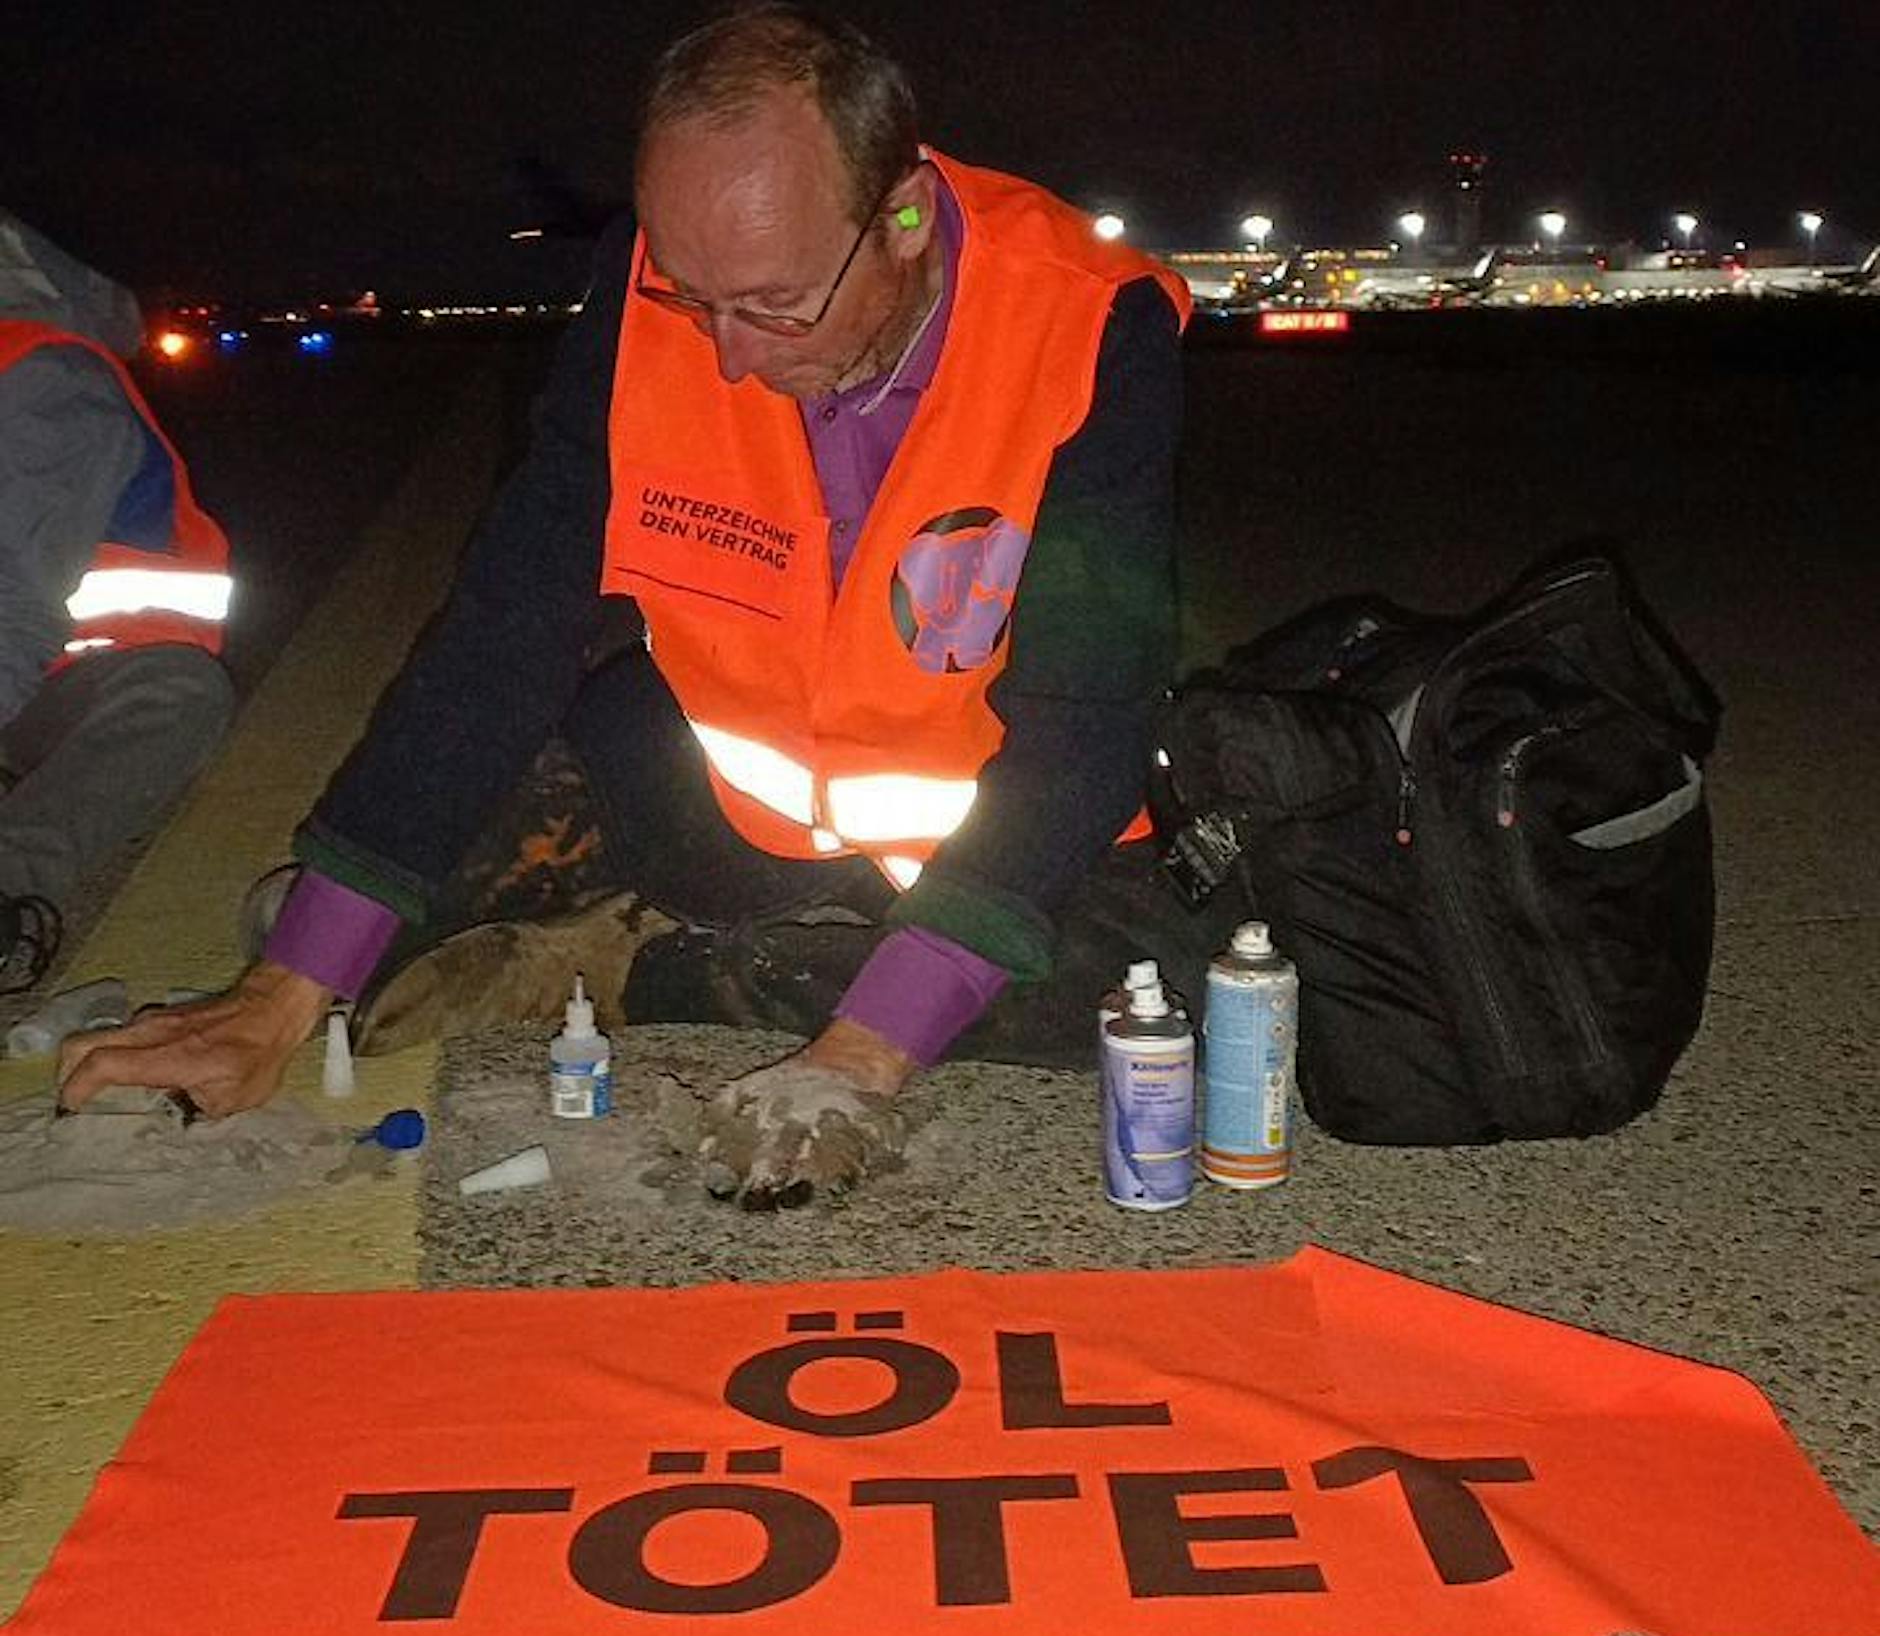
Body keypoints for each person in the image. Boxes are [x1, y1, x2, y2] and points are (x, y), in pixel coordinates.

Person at [60, 4, 1201, 1204]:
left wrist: (856, 1058)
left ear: (905, 217)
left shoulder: (1084, 324)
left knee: (1139, 1005)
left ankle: (644, 971)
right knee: (327, 904)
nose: (727, 359)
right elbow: (507, 623)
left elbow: (1085, 724)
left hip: (994, 841)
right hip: (716, 812)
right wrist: (280, 994)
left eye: (774, 304)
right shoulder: (659, 289)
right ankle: (661, 952)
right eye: (692, 300)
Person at [0, 211, 235, 992]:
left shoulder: (39, 385)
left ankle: (12, 881)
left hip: (75, 678)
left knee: (177, 696)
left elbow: (15, 616)